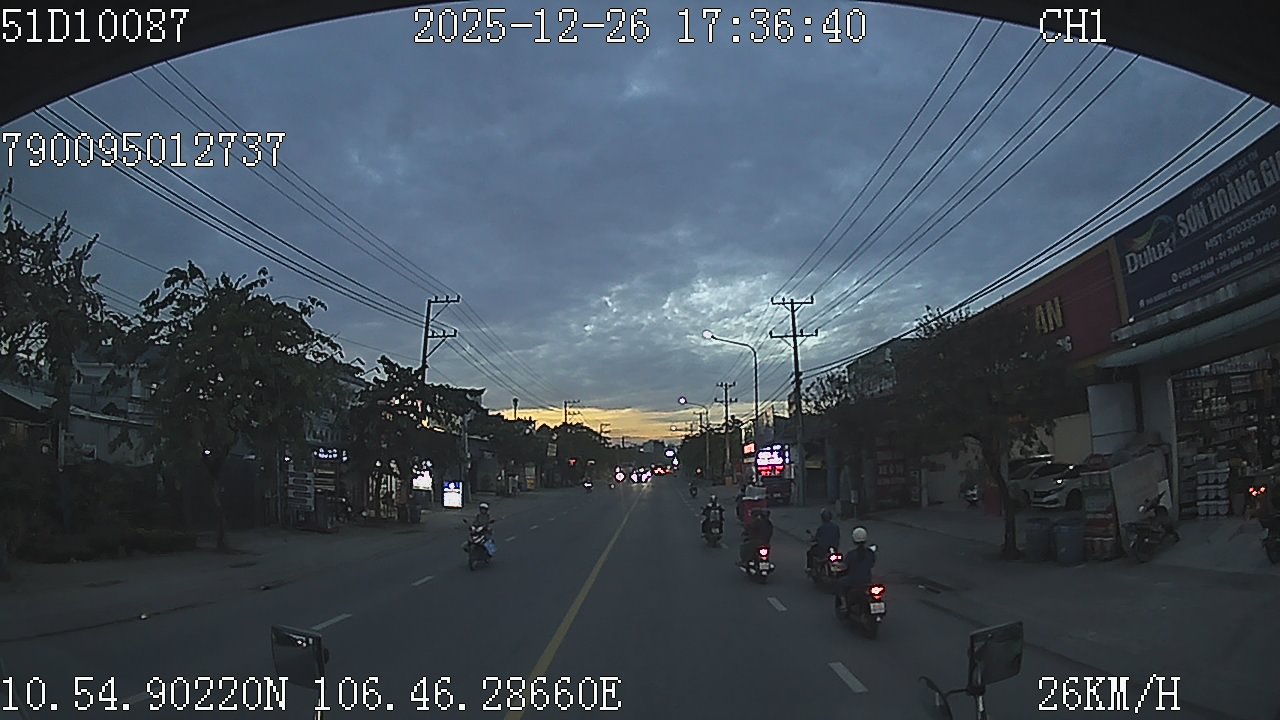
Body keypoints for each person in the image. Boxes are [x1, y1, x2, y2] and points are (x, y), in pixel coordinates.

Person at [836, 527, 877, 610]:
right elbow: (872, 564)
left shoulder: (851, 554)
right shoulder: (870, 553)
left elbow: (845, 566)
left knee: (840, 583)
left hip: (853, 581)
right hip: (867, 580)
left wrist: (837, 566)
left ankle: (844, 604)